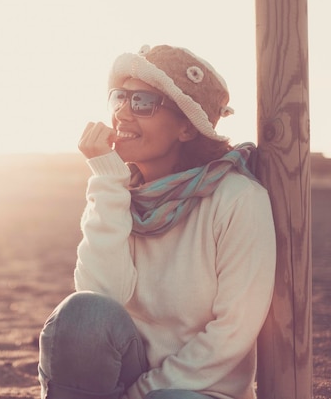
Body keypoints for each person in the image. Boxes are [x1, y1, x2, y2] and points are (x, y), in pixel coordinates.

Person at [37, 44, 276, 399]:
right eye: (119, 98)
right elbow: (99, 302)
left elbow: (233, 332)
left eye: (143, 103)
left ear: (187, 128)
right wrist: (106, 179)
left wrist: (142, 393)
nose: (122, 114)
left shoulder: (238, 199)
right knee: (82, 313)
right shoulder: (118, 192)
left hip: (201, 389)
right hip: (124, 377)